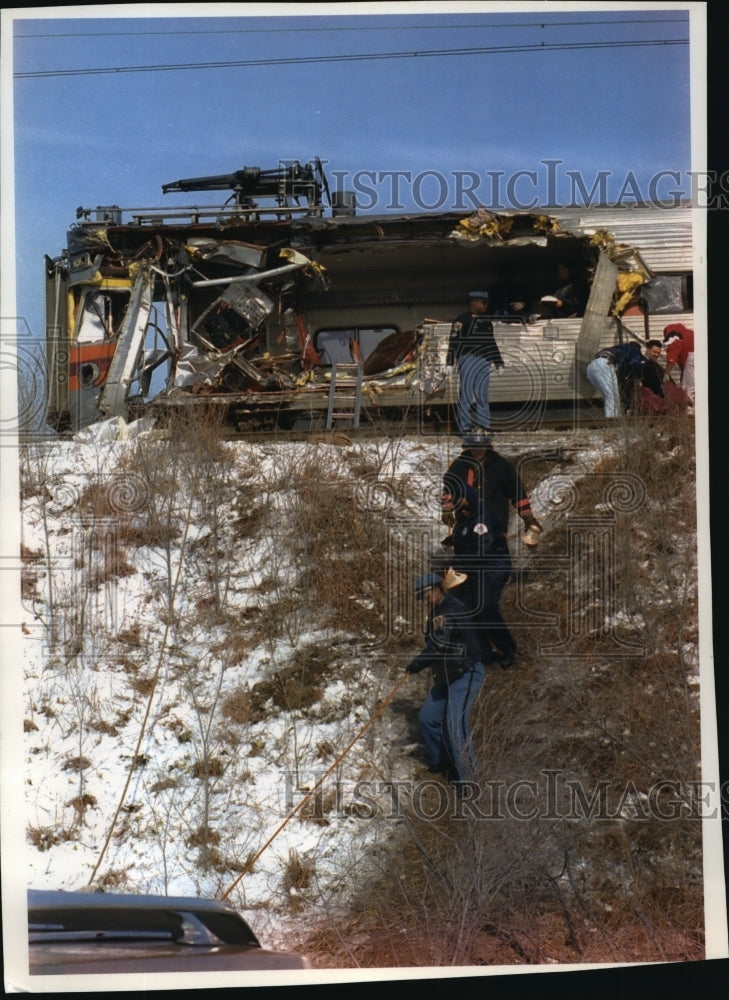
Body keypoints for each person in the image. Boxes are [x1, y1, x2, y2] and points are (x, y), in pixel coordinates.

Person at [440, 430, 542, 668]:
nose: (477, 450)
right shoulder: (459, 466)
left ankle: (508, 649)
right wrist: (447, 511)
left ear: (488, 446)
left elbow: (517, 492)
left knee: (485, 605)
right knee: (466, 606)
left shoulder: (501, 466)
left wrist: (528, 518)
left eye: (481, 446)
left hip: (492, 541)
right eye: (473, 446)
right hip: (467, 540)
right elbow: (448, 490)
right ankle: (482, 653)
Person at [405, 573, 484, 786]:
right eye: (421, 597)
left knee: (455, 725)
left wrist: (417, 664)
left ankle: (471, 781)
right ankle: (445, 762)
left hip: (465, 672)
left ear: (435, 589)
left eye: (425, 595)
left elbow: (439, 645)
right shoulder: (437, 613)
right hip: (446, 676)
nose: (424, 600)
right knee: (428, 718)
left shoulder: (450, 610)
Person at [446, 291, 505, 434]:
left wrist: (498, 361)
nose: (486, 306)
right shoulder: (461, 321)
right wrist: (449, 362)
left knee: (482, 396)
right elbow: (454, 341)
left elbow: (491, 342)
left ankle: (484, 426)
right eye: (483, 302)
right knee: (466, 395)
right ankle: (465, 428)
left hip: (484, 360)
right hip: (468, 359)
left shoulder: (486, 322)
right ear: (475, 302)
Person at [585, 341, 643, 418]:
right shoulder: (633, 348)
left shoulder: (617, 349)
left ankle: (610, 417)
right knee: (612, 396)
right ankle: (613, 421)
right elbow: (635, 362)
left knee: (608, 395)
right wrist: (637, 379)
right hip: (605, 364)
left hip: (591, 368)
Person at [662, 323, 695, 403]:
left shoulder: (672, 333)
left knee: (688, 390)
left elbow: (672, 356)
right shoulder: (688, 334)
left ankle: (691, 412)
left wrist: (666, 373)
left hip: (693, 356)